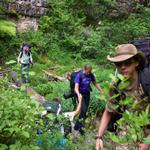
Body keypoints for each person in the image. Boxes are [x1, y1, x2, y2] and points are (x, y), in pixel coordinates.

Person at [95, 44, 150, 150]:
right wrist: (99, 136)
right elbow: (109, 110)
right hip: (129, 124)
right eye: (119, 64)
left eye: (127, 63)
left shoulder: (147, 81)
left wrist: (146, 143)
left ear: (136, 62)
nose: (123, 67)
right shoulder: (116, 85)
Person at [74, 64, 103, 135]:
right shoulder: (79, 75)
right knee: (83, 110)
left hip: (87, 94)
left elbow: (95, 83)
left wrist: (101, 91)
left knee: (85, 111)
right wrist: (78, 95)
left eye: (90, 72)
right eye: (88, 72)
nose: (89, 73)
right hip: (80, 94)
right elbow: (76, 88)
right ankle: (80, 128)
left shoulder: (91, 75)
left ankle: (77, 126)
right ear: (84, 69)